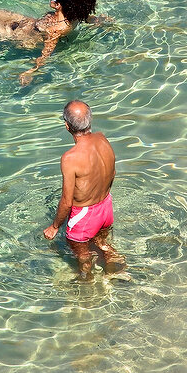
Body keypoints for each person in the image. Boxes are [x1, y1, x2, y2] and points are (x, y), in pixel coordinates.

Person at [43, 100, 124, 280]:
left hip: (85, 215)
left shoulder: (70, 158)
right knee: (102, 244)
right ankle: (118, 273)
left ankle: (87, 287)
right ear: (90, 120)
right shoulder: (103, 139)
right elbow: (112, 172)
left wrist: (54, 226)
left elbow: (66, 200)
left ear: (66, 126)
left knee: (82, 255)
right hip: (106, 206)